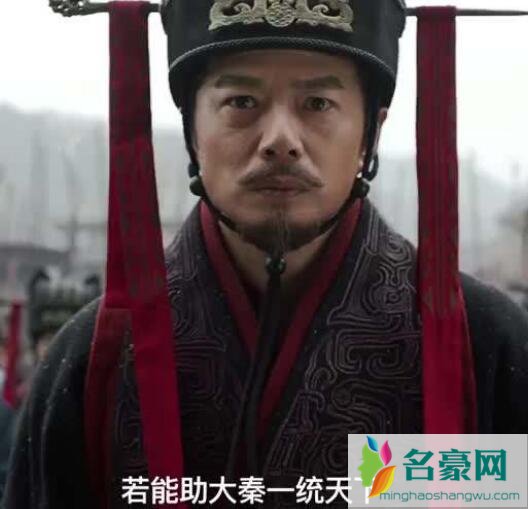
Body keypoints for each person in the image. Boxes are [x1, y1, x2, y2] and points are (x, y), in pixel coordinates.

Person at [4, 1, 528, 508]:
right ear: (191, 129)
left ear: (372, 131)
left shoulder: (486, 343)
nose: (280, 140)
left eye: (317, 104)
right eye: (241, 102)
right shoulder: (92, 360)